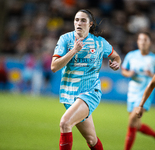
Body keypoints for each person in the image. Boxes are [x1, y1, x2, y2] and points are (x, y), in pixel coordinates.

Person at [51, 9, 121, 150]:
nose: (79, 23)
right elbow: (54, 66)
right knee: (91, 139)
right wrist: (74, 51)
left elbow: (116, 56)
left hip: (90, 92)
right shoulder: (66, 39)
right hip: (70, 94)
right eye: (76, 19)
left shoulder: (100, 43)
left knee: (65, 123)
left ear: (90, 24)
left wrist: (116, 63)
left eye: (83, 20)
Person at [121, 32, 155, 150]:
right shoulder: (131, 55)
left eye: (145, 40)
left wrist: (153, 75)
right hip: (132, 92)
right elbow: (124, 71)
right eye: (140, 39)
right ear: (137, 42)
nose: (142, 42)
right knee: (136, 125)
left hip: (145, 94)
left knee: (131, 122)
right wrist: (129, 73)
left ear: (149, 42)